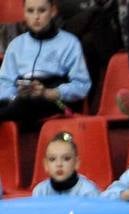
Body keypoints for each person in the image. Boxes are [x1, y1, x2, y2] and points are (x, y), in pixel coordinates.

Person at [0, 0, 91, 129]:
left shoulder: (70, 43)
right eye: (30, 11)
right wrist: (15, 94)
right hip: (22, 97)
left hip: (55, 97)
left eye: (42, 11)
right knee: (23, 101)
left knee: (26, 103)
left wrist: (48, 92)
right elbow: (4, 84)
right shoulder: (16, 45)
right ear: (24, 13)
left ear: (53, 11)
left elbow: (82, 86)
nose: (36, 17)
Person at [31, 130, 101, 197]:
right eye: (52, 159)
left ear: (76, 163)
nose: (59, 164)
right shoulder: (40, 192)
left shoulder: (88, 192)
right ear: (46, 165)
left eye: (66, 159)